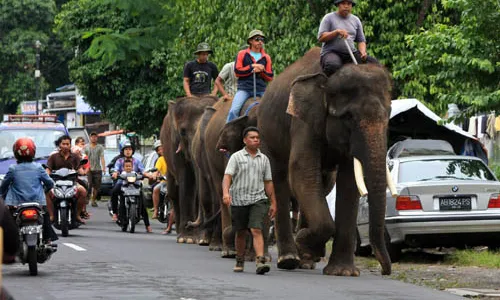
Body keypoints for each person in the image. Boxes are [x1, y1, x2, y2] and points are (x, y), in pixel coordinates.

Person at [222, 127, 277, 274]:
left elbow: (268, 182)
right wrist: (226, 193)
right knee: (240, 232)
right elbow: (227, 176)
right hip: (239, 200)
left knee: (256, 229)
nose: (255, 140)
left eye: (257, 137)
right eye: (252, 137)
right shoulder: (236, 157)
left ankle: (260, 261)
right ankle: (240, 259)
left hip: (258, 199)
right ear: (245, 140)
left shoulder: (264, 159)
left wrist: (273, 202)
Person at [0, 137, 58, 244]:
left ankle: (8, 243)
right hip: (37, 202)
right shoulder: (39, 167)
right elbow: (50, 183)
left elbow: (4, 186)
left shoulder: (13, 169)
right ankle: (47, 239)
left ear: (15, 153)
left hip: (16, 203)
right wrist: (44, 190)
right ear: (33, 152)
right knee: (45, 218)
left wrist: (2, 196)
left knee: (8, 222)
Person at [317, 0, 378, 76]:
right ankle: (326, 85)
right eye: (343, 3)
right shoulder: (328, 18)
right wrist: (336, 32)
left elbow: (361, 40)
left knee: (374, 63)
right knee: (333, 66)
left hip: (351, 53)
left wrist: (363, 52)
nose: (346, 6)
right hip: (331, 52)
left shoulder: (356, 20)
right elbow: (321, 38)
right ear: (338, 5)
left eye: (349, 4)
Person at [227, 30, 273, 123]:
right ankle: (228, 132)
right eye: (257, 39)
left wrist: (262, 71)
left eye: (262, 39)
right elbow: (237, 71)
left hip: (261, 89)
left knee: (274, 110)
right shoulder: (242, 54)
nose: (260, 41)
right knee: (233, 111)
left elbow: (270, 77)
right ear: (250, 41)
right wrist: (252, 67)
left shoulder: (266, 57)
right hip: (245, 89)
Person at [110, 141, 153, 232]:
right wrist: (115, 173)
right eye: (126, 149)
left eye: (130, 149)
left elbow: (143, 171)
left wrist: (148, 175)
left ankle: (147, 225)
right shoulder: (119, 161)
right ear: (123, 151)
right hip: (122, 183)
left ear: (132, 151)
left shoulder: (137, 161)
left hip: (135, 183)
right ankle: (115, 213)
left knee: (142, 202)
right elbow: (116, 170)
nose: (128, 151)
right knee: (114, 192)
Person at [46, 135, 88, 224]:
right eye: (63, 144)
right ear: (59, 145)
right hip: (56, 183)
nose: (65, 146)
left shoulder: (75, 157)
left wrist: (82, 172)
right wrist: (46, 175)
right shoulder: (53, 157)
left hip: (72, 182)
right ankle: (51, 215)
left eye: (67, 144)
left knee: (83, 191)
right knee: (47, 192)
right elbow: (48, 169)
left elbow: (79, 169)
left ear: (70, 145)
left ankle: (77, 214)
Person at [119, 159, 152, 233]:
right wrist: (116, 175)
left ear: (132, 167)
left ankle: (147, 225)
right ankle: (121, 220)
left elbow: (142, 175)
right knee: (122, 205)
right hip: (125, 190)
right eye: (126, 166)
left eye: (130, 166)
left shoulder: (135, 173)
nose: (128, 168)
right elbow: (118, 175)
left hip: (136, 190)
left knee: (143, 206)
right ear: (123, 167)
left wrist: (144, 176)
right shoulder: (123, 174)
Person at [84, 132, 106, 207]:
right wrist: (84, 167)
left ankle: (93, 200)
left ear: (97, 138)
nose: (94, 138)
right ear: (90, 138)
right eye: (92, 137)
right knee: (89, 184)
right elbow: (84, 158)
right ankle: (87, 198)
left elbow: (102, 157)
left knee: (96, 186)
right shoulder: (86, 147)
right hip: (88, 169)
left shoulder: (100, 147)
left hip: (97, 169)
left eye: (95, 137)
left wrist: (104, 167)